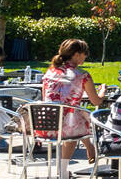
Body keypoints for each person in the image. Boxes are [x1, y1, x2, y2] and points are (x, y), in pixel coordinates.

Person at [39, 38, 102, 171]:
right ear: (76, 54)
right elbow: (96, 101)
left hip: (44, 124)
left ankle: (89, 146)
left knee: (74, 114)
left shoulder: (49, 72)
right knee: (75, 118)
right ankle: (63, 168)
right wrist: (102, 92)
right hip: (66, 128)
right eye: (85, 53)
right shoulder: (82, 75)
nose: (86, 56)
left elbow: (46, 97)